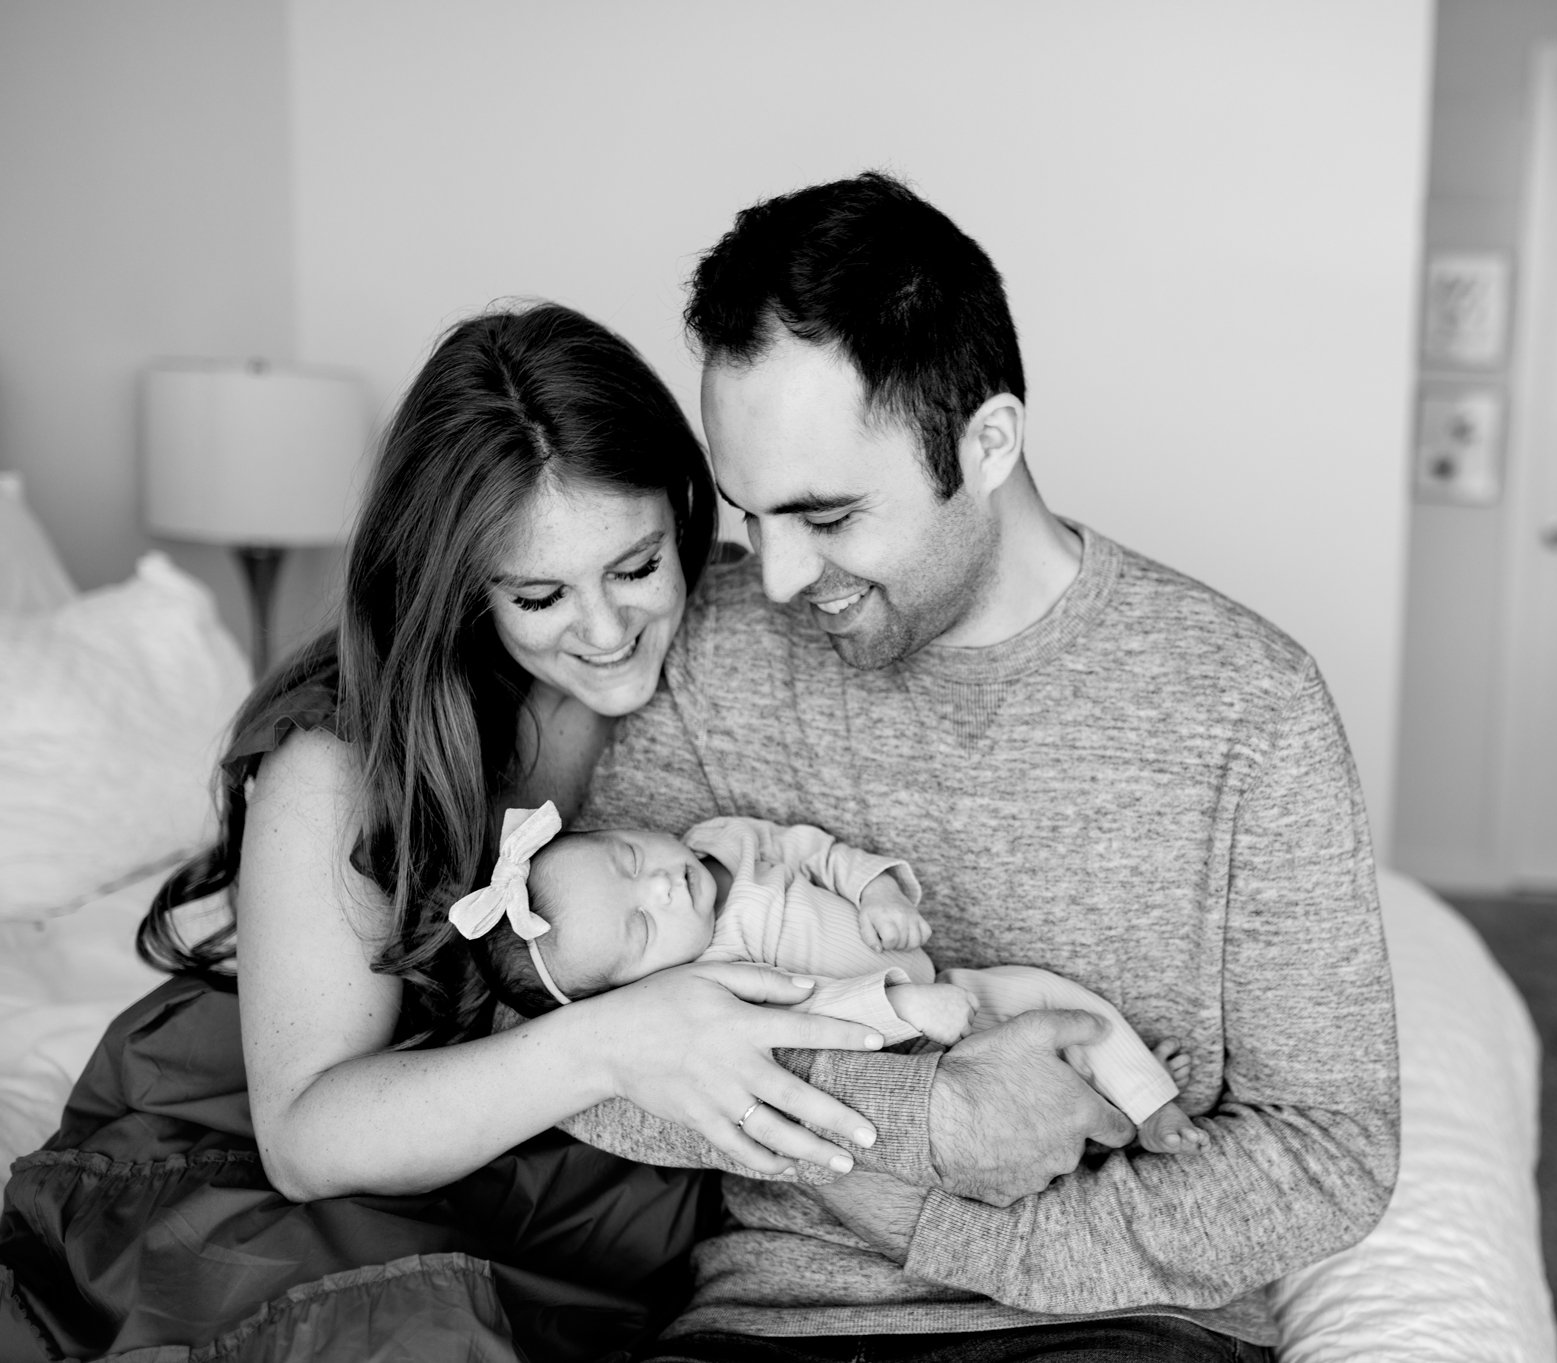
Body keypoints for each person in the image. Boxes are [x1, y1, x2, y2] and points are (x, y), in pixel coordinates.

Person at [555, 173, 1401, 1362]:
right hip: (766, 1327)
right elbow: (580, 1038)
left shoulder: (1244, 705)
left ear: (986, 441)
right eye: (750, 516)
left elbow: (1327, 1150)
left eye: (828, 516)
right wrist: (931, 1118)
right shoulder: (714, 648)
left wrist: (946, 1234)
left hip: (1118, 1327)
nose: (780, 577)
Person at [0, 302, 886, 1362]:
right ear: (464, 585)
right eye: (540, 593)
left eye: (638, 566)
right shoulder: (339, 766)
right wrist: (614, 1041)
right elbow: (307, 1140)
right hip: (319, 1167)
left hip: (570, 1182)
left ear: (685, 508)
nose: (604, 633)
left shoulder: (730, 635)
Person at [464, 803, 1207, 1152]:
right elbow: (815, 1011)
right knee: (1015, 1102)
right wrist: (908, 1006)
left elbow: (815, 850)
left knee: (1054, 996)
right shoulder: (713, 980)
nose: (661, 885)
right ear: (636, 986)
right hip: (912, 1052)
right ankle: (1105, 1110)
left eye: (629, 857)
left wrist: (877, 889)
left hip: (954, 982)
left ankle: (1148, 1101)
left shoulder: (720, 841)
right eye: (641, 927)